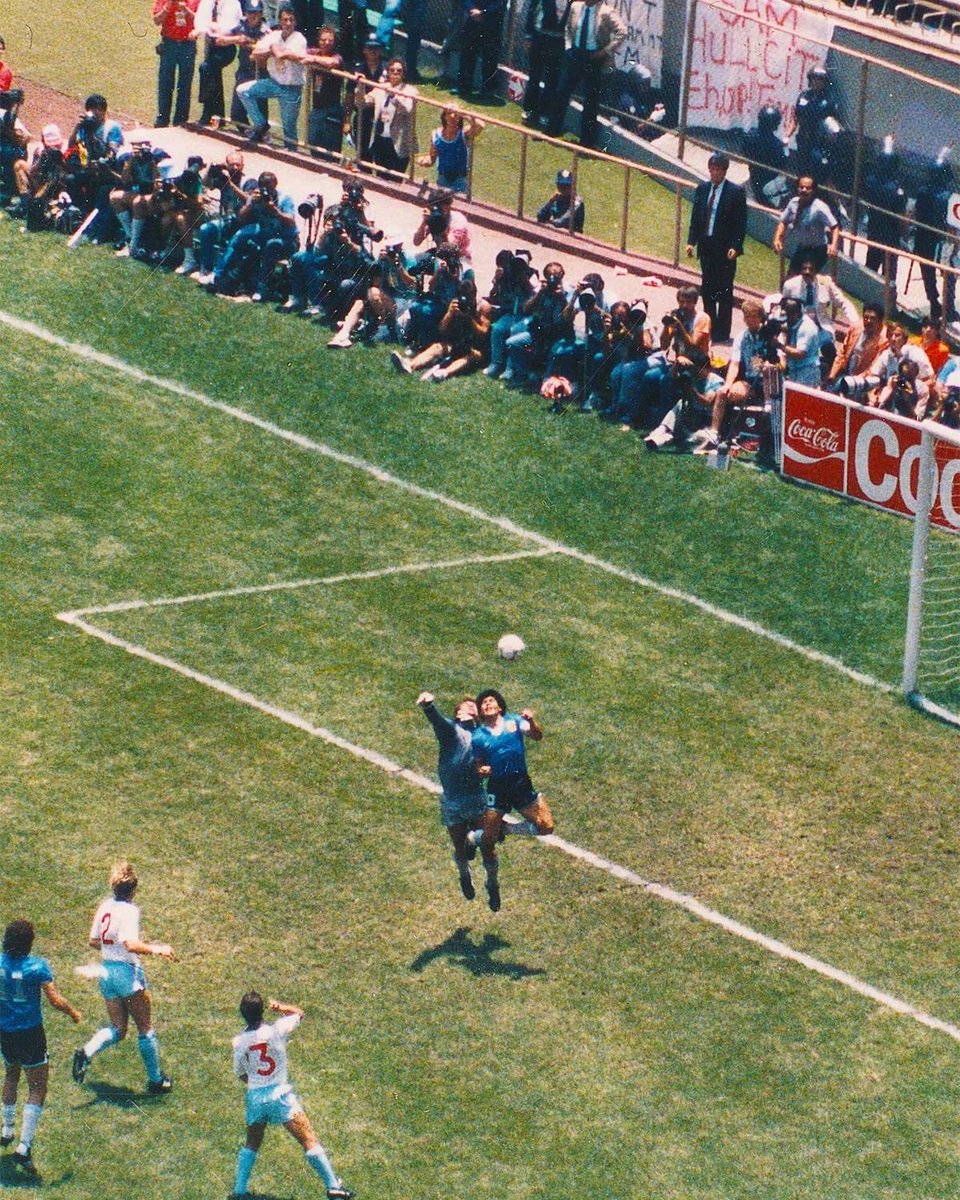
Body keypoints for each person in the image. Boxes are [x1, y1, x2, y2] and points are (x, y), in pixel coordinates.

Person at [231, 991, 353, 1200]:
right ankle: (334, 1186)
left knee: (252, 1142)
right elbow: (299, 1013)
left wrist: (256, 1084)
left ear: (242, 1014)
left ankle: (239, 1191)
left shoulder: (239, 1042)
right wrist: (279, 1008)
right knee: (307, 1138)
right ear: (262, 1011)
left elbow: (240, 1073)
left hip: (256, 1098)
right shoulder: (277, 1029)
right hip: (280, 1095)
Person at [71, 862, 175, 1095]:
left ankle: (86, 1052)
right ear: (133, 890)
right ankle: (156, 1080)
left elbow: (93, 940)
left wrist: (112, 947)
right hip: (127, 973)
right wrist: (158, 948)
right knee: (145, 1028)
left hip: (107, 972)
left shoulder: (105, 906)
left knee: (118, 1028)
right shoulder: (130, 911)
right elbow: (130, 944)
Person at [0, 920, 81, 1177]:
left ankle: (7, 1129)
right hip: (31, 1033)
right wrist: (72, 1011)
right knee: (37, 1086)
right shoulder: (37, 967)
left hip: (6, 1032)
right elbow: (54, 999)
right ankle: (24, 1146)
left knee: (11, 1074)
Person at [468, 689, 555, 911]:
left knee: (546, 826)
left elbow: (537, 736)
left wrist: (531, 720)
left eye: (491, 701)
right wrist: (482, 770)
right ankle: (491, 882)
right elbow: (478, 765)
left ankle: (507, 830)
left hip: (520, 784)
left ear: (500, 706)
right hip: (497, 787)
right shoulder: (478, 736)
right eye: (483, 703)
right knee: (487, 840)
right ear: (480, 711)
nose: (487, 704)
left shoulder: (515, 722)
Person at [416, 692, 492, 901]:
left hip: (476, 797)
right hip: (454, 800)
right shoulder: (451, 730)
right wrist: (428, 707)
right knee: (458, 846)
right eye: (466, 705)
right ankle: (464, 875)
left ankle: (475, 851)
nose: (471, 707)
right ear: (458, 713)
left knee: (484, 841)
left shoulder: (483, 735)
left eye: (474, 706)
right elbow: (437, 721)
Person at [545, 0, 626, 149]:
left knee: (591, 100)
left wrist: (604, 51)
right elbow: (568, 29)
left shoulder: (606, 12)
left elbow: (622, 33)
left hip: (593, 58)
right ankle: (552, 129)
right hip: (575, 54)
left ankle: (586, 141)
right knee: (562, 92)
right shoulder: (576, 7)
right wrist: (568, 47)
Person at [685, 151, 747, 343]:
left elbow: (741, 223)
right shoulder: (702, 189)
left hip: (725, 248)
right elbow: (696, 218)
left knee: (725, 291)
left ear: (725, 171)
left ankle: (722, 331)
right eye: (712, 169)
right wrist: (691, 241)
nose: (715, 173)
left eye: (718, 169)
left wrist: (736, 246)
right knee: (708, 289)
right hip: (707, 245)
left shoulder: (735, 192)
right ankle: (709, 326)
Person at [238, 4, 308, 150]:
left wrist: (273, 49)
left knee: (289, 129)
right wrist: (270, 50)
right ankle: (261, 124)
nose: (287, 23)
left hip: (291, 88)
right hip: (274, 82)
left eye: (291, 20)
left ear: (295, 22)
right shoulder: (275, 35)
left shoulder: (299, 38)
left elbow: (282, 54)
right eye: (284, 20)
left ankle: (291, 156)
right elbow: (254, 55)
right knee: (243, 91)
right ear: (280, 21)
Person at [780, 256, 859, 378]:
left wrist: (854, 320)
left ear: (816, 271)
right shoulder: (790, 285)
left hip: (820, 326)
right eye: (804, 269)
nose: (807, 272)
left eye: (811, 269)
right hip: (799, 327)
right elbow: (783, 308)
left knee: (828, 348)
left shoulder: (825, 283)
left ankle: (835, 376)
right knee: (793, 354)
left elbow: (842, 301)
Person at [772, 174, 840, 275]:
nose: (804, 190)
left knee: (805, 278)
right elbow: (783, 221)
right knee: (790, 281)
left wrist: (833, 245)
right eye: (801, 187)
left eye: (808, 188)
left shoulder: (820, 208)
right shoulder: (793, 203)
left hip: (817, 250)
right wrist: (777, 238)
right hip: (802, 248)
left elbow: (834, 227)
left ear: (813, 191)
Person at [192, 0, 243, 127]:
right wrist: (204, 28)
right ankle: (217, 118)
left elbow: (229, 26)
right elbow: (200, 20)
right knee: (214, 77)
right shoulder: (207, 2)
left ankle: (206, 108)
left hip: (226, 47)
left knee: (205, 68)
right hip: (211, 46)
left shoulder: (232, 3)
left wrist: (212, 27)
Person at [362, 57, 417, 176]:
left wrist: (394, 96)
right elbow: (363, 102)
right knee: (381, 176)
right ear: (388, 72)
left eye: (399, 70)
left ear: (403, 74)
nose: (395, 72)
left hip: (398, 142)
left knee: (395, 179)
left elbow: (407, 110)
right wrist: (360, 85)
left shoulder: (410, 91)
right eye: (392, 70)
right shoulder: (381, 87)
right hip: (380, 139)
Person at [153, 0, 201, 128]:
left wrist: (186, 10)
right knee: (165, 83)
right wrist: (167, 7)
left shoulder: (195, 1)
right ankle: (162, 119)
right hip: (169, 44)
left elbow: (201, 21)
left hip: (187, 45)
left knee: (185, 84)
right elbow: (157, 20)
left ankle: (180, 120)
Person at [784, 65, 838, 176]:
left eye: (820, 80)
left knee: (815, 171)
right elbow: (796, 118)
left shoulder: (828, 101)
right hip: (803, 139)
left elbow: (833, 127)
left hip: (818, 143)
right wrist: (787, 135)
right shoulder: (804, 96)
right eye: (814, 79)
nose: (816, 82)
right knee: (801, 169)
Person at [417, 106, 481, 195]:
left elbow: (480, 125)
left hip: (460, 179)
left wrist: (463, 113)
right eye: (449, 113)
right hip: (443, 177)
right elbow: (432, 158)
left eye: (456, 114)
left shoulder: (464, 133)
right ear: (444, 116)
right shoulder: (436, 135)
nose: (452, 116)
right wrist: (424, 160)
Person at [521, 0, 565, 128]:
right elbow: (531, 10)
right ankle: (529, 110)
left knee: (552, 80)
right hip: (539, 37)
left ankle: (544, 113)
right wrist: (528, 36)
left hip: (558, 40)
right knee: (534, 76)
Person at [304, 26, 345, 157]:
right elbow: (298, 52)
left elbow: (331, 63)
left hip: (332, 110)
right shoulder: (314, 52)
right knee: (313, 143)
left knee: (330, 150)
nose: (326, 43)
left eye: (330, 40)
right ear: (318, 40)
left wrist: (314, 60)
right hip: (316, 108)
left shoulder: (337, 57)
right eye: (323, 40)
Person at [456, 0, 505, 100]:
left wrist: (484, 13)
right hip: (472, 20)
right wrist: (472, 9)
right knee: (467, 53)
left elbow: (500, 4)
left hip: (491, 23)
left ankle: (488, 90)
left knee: (490, 58)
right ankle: (464, 86)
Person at [536, 167, 584, 232]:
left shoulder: (577, 202)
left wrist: (550, 221)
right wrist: (550, 202)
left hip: (571, 238)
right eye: (560, 185)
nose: (563, 189)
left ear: (572, 186)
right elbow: (540, 216)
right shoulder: (556, 198)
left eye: (566, 186)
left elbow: (562, 222)